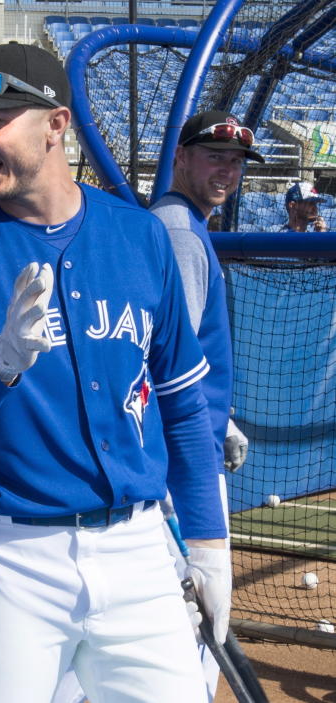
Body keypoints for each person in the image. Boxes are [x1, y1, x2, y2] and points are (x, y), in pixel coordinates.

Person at [0, 42, 230, 702]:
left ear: (55, 124)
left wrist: (208, 542)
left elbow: (184, 405)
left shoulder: (140, 237)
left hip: (139, 554)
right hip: (11, 563)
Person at [151, 111, 261, 699]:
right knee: (196, 615)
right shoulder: (180, 233)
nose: (228, 170)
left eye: (237, 161)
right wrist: (201, 436)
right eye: (214, 156)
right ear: (182, 157)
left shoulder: (179, 223)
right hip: (182, 455)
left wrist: (225, 419)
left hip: (191, 437)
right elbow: (165, 366)